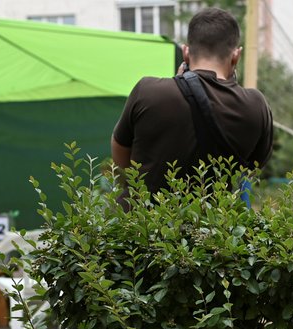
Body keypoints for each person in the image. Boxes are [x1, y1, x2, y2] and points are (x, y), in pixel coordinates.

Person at [111, 7, 274, 197]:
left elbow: (120, 154)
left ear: (186, 52)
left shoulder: (147, 90)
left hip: (141, 222)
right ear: (236, 56)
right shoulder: (256, 105)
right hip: (212, 224)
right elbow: (252, 169)